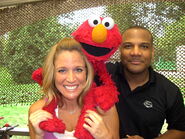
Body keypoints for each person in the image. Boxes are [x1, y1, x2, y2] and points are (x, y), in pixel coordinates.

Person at [28, 37, 119, 139]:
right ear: (52, 74)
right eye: (62, 70)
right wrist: (38, 136)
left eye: (78, 70)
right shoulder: (37, 111)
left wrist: (106, 137)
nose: (71, 79)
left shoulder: (105, 107)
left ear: (87, 73)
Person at [106, 26, 185, 139]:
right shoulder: (103, 74)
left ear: (152, 52)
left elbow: (180, 130)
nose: (136, 52)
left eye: (144, 46)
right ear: (120, 50)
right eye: (128, 46)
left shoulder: (169, 90)